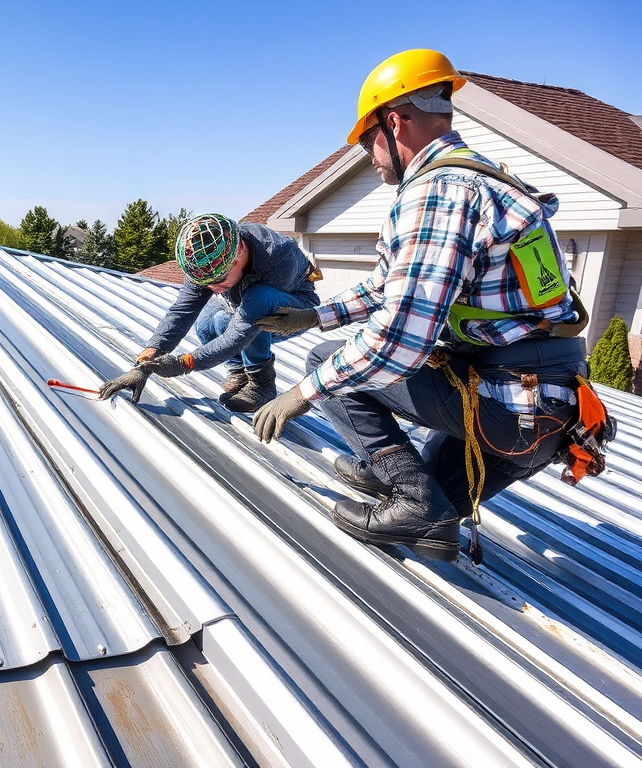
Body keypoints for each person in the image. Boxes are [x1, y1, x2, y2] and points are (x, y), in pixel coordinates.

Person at [251, 49, 590, 562]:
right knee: (434, 500)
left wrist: (301, 394)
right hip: (547, 418)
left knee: (329, 365)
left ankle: (412, 500)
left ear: (394, 122)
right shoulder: (485, 179)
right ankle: (412, 494)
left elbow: (398, 338)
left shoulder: (439, 192)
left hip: (507, 408)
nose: (370, 156)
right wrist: (313, 315)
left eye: (369, 141)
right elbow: (394, 287)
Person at [98, 213, 319, 411]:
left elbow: (241, 332)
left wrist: (182, 364)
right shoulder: (204, 258)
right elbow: (182, 311)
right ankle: (239, 372)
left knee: (254, 307)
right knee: (205, 320)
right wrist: (143, 365)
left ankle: (262, 384)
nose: (213, 288)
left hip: (295, 309)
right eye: (206, 284)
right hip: (244, 302)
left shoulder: (278, 255)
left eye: (218, 281)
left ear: (237, 257)